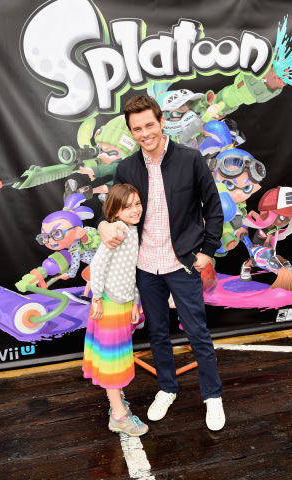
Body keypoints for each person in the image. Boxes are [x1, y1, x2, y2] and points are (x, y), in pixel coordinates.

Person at [97, 95, 226, 431]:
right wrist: (103, 225)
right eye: (136, 128)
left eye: (149, 125)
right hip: (144, 266)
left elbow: (213, 209)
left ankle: (213, 396)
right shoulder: (126, 168)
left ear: (162, 121)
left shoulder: (190, 159)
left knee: (197, 332)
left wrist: (208, 251)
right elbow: (112, 211)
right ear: (131, 131)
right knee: (157, 333)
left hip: (182, 264)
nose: (144, 133)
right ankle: (167, 388)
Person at [83, 183, 149, 437]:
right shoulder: (119, 230)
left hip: (122, 302)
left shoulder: (133, 230)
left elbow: (133, 272)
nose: (135, 210)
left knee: (118, 356)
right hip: (109, 304)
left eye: (138, 204)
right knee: (113, 360)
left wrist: (134, 302)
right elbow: (97, 267)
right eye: (127, 206)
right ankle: (119, 415)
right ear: (115, 210)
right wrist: (97, 299)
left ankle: (116, 402)